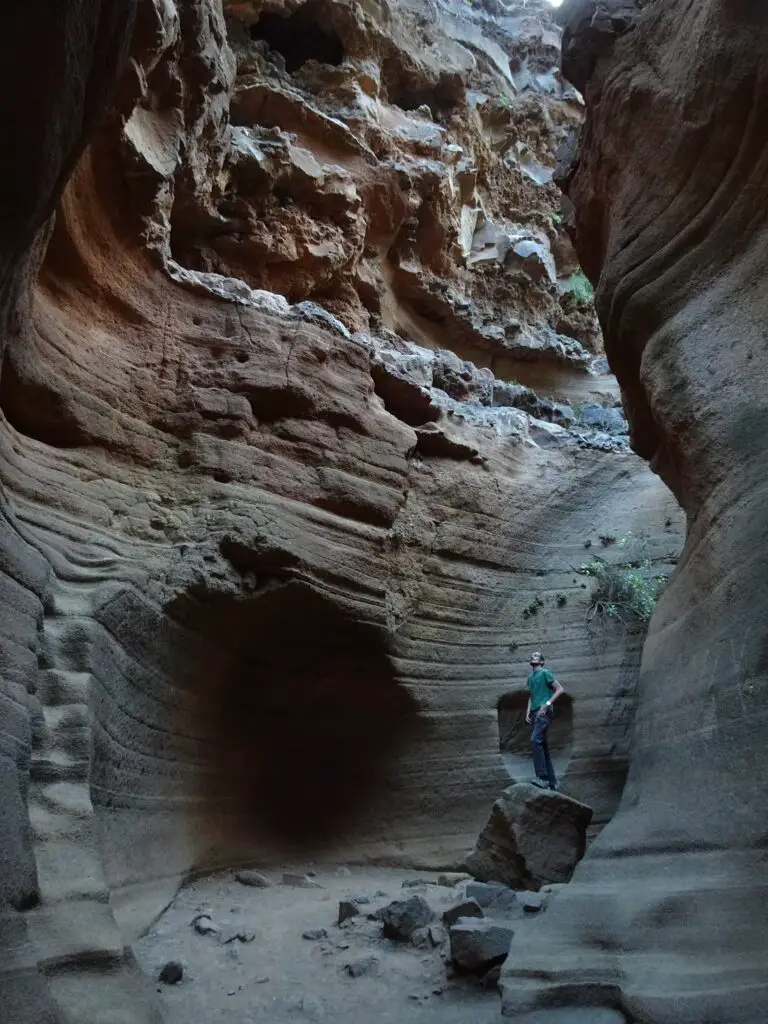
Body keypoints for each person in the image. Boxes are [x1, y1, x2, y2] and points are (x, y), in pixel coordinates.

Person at [525, 651, 564, 791]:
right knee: (542, 745)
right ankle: (552, 782)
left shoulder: (545, 673)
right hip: (535, 712)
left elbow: (560, 689)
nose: (533, 656)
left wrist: (547, 704)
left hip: (544, 712)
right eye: (532, 655)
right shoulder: (530, 678)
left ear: (541, 661)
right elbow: (531, 695)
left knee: (535, 740)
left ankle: (542, 778)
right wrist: (528, 710)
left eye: (536, 655)